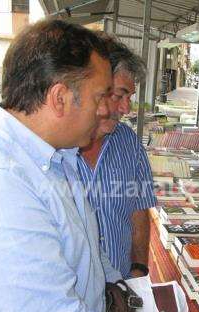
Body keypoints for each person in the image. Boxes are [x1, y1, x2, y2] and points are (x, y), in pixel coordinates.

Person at [0, 20, 139, 312]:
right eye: (100, 96)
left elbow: (85, 250)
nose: (107, 109)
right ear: (60, 98)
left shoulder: (56, 154)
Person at [78, 33, 156, 279]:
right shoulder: (59, 148)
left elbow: (139, 208)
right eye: (119, 95)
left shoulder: (129, 142)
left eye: (129, 98)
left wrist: (139, 268)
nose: (126, 108)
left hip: (121, 285)